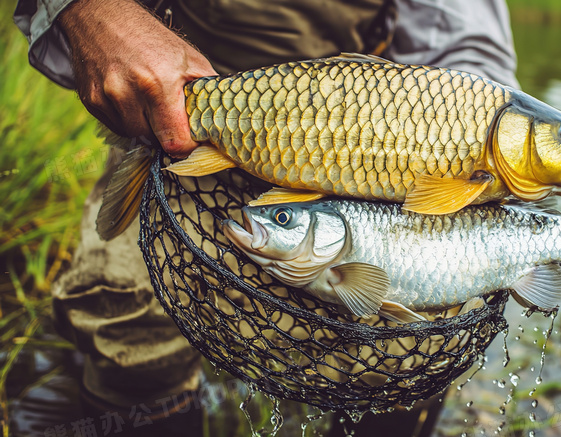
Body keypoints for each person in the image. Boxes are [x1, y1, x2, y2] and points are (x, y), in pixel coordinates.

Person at [13, 0, 519, 434]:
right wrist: (93, 11)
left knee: (411, 342)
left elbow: (466, 50)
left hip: (365, 157)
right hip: (178, 123)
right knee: (122, 313)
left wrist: (462, 152)